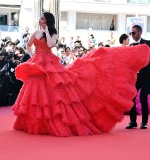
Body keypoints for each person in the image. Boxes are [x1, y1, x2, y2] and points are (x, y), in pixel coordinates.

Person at [12, 12, 150, 136]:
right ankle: (34, 122)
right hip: (37, 63)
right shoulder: (35, 32)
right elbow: (28, 45)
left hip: (50, 63)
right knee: (35, 90)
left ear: (47, 21)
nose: (40, 20)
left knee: (54, 91)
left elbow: (50, 44)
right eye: (40, 18)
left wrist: (46, 30)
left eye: (42, 19)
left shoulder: (52, 33)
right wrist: (32, 56)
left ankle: (142, 122)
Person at [126, 25, 150, 129]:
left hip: (146, 77)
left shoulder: (148, 43)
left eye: (134, 33)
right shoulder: (130, 46)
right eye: (131, 33)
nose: (132, 35)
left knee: (143, 98)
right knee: (131, 98)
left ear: (140, 32)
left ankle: (144, 122)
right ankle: (133, 122)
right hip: (134, 77)